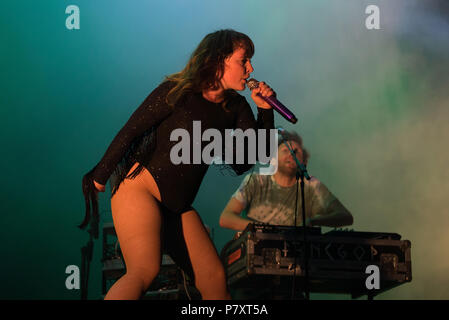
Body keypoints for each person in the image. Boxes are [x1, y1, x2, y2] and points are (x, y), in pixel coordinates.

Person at [78, 29, 275, 300]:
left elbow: (248, 160)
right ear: (220, 59)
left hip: (178, 207)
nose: (250, 68)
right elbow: (132, 130)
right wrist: (100, 175)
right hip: (139, 191)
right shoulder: (178, 91)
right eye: (244, 60)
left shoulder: (237, 107)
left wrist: (265, 111)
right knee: (144, 270)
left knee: (214, 279)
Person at [219, 130, 353, 232]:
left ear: (304, 161)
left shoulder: (311, 185)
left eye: (296, 152)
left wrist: (313, 221)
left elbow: (345, 216)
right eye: (285, 151)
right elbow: (226, 218)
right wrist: (263, 229)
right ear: (273, 159)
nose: (291, 154)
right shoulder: (256, 180)